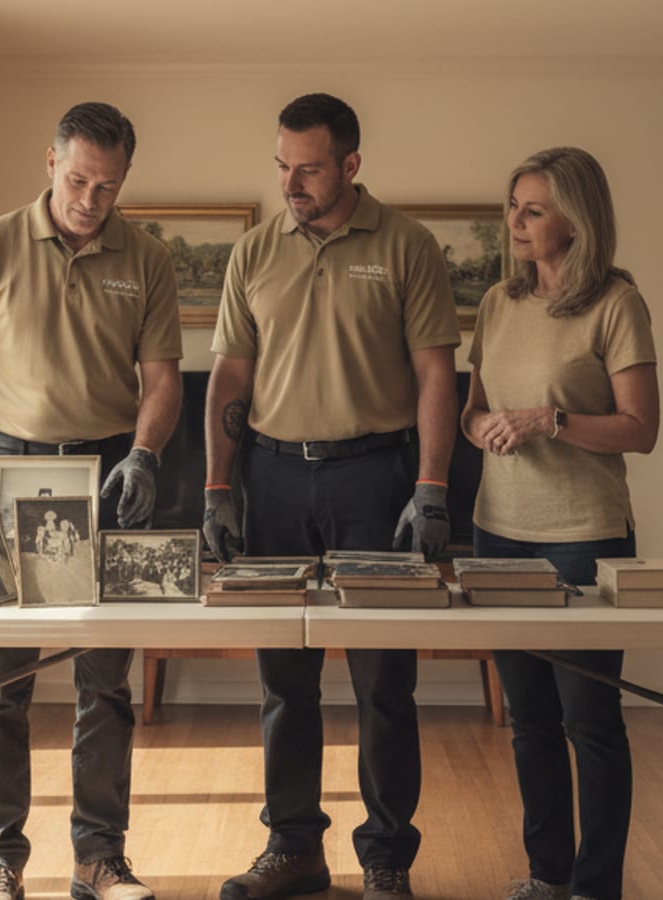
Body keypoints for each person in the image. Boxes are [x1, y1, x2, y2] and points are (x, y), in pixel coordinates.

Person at [203, 92, 460, 900]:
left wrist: (431, 486)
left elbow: (434, 373)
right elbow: (231, 376)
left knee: (385, 679)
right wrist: (218, 485)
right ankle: (294, 847)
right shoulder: (254, 252)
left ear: (351, 164)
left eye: (308, 167)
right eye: (282, 165)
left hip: (375, 475)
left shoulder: (409, 245)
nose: (291, 182)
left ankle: (386, 856)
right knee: (286, 676)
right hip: (273, 474)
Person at [0, 101, 182, 900]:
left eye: (107, 187)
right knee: (1, 680)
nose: (90, 200)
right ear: (50, 162)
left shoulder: (146, 257)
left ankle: (97, 858)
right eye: (78, 180)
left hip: (108, 475)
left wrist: (145, 454)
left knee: (104, 680)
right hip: (12, 473)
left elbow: (163, 378)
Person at [460, 147, 660, 900]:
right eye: (512, 205)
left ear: (575, 219)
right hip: (498, 533)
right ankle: (547, 877)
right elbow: (474, 408)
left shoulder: (617, 303)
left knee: (591, 721)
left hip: (584, 537)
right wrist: (485, 429)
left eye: (532, 208)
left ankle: (595, 886)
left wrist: (551, 419)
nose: (515, 220)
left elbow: (641, 428)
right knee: (529, 720)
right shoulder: (496, 303)